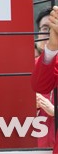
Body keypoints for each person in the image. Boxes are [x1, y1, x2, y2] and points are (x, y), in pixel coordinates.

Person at [35, 8, 55, 149]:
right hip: (34, 148)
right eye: (45, 29)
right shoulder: (28, 68)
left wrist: (54, 111)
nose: (50, 34)